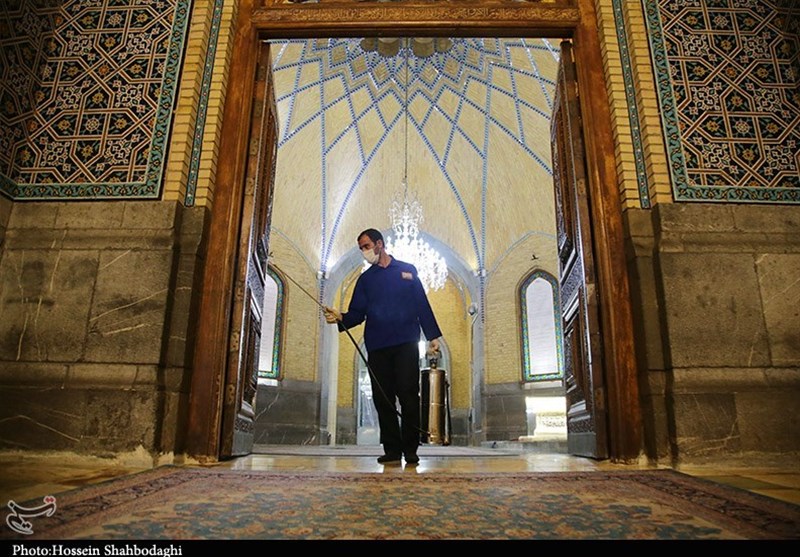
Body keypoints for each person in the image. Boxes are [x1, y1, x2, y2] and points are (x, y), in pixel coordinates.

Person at [324, 228, 442, 465]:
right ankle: (392, 450)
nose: (364, 252)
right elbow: (357, 313)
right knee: (383, 398)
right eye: (361, 248)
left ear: (380, 244)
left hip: (406, 343)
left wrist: (433, 336)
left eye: (366, 246)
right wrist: (340, 317)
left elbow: (422, 304)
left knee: (409, 395)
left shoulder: (407, 270)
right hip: (377, 346)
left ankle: (411, 449)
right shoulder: (366, 280)